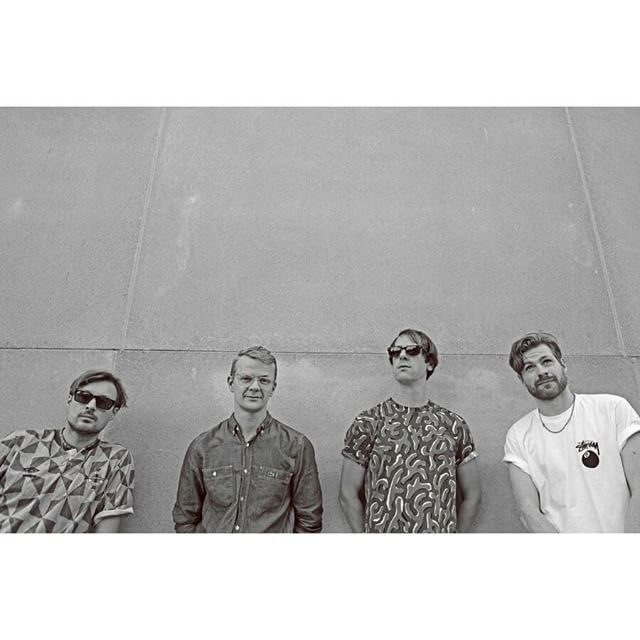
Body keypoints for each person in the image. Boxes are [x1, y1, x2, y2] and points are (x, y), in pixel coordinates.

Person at [339, 329, 481, 533]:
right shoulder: (368, 422)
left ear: (430, 363)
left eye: (412, 350)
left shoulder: (453, 425)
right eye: (395, 351)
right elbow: (347, 494)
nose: (402, 355)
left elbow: (473, 495)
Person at [172, 345, 323, 533]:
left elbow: (310, 521)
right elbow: (185, 518)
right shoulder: (202, 447)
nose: (255, 387)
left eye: (264, 380)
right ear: (231, 383)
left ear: (273, 388)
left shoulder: (297, 446)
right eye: (246, 379)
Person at [504, 331, 640, 532]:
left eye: (547, 361)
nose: (541, 372)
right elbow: (528, 511)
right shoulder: (518, 435)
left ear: (563, 364)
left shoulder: (612, 409)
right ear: (521, 379)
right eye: (529, 367)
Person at [0, 370, 134, 533]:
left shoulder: (116, 459)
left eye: (103, 402)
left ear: (114, 412)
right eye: (83, 396)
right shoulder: (20, 441)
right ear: (70, 399)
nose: (91, 406)